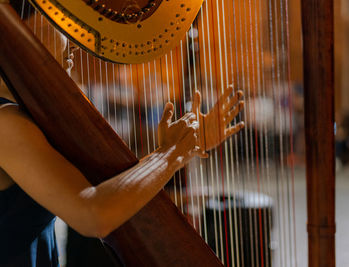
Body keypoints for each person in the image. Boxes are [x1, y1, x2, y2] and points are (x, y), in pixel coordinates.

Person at [0, 5, 245, 266]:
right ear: (18, 31)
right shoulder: (6, 123)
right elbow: (92, 214)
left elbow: (109, 188)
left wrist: (181, 148)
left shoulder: (27, 114)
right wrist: (172, 153)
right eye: (58, 24)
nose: (74, 45)